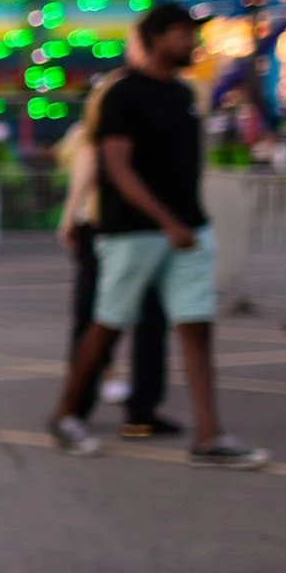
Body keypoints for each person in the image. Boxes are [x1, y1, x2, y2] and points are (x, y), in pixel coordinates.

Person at [48, 3, 268, 466]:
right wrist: (164, 220)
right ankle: (67, 412)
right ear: (157, 37)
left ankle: (209, 435)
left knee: (196, 325)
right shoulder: (122, 94)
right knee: (108, 324)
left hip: (187, 230)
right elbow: (116, 166)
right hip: (133, 232)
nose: (192, 42)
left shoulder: (185, 94)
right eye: (182, 33)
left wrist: (186, 222)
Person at [56, 78, 173, 436]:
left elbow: (84, 178)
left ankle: (79, 407)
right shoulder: (108, 133)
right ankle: (137, 409)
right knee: (137, 319)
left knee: (99, 320)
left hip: (112, 229)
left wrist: (69, 217)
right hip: (129, 230)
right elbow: (85, 176)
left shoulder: (95, 133)